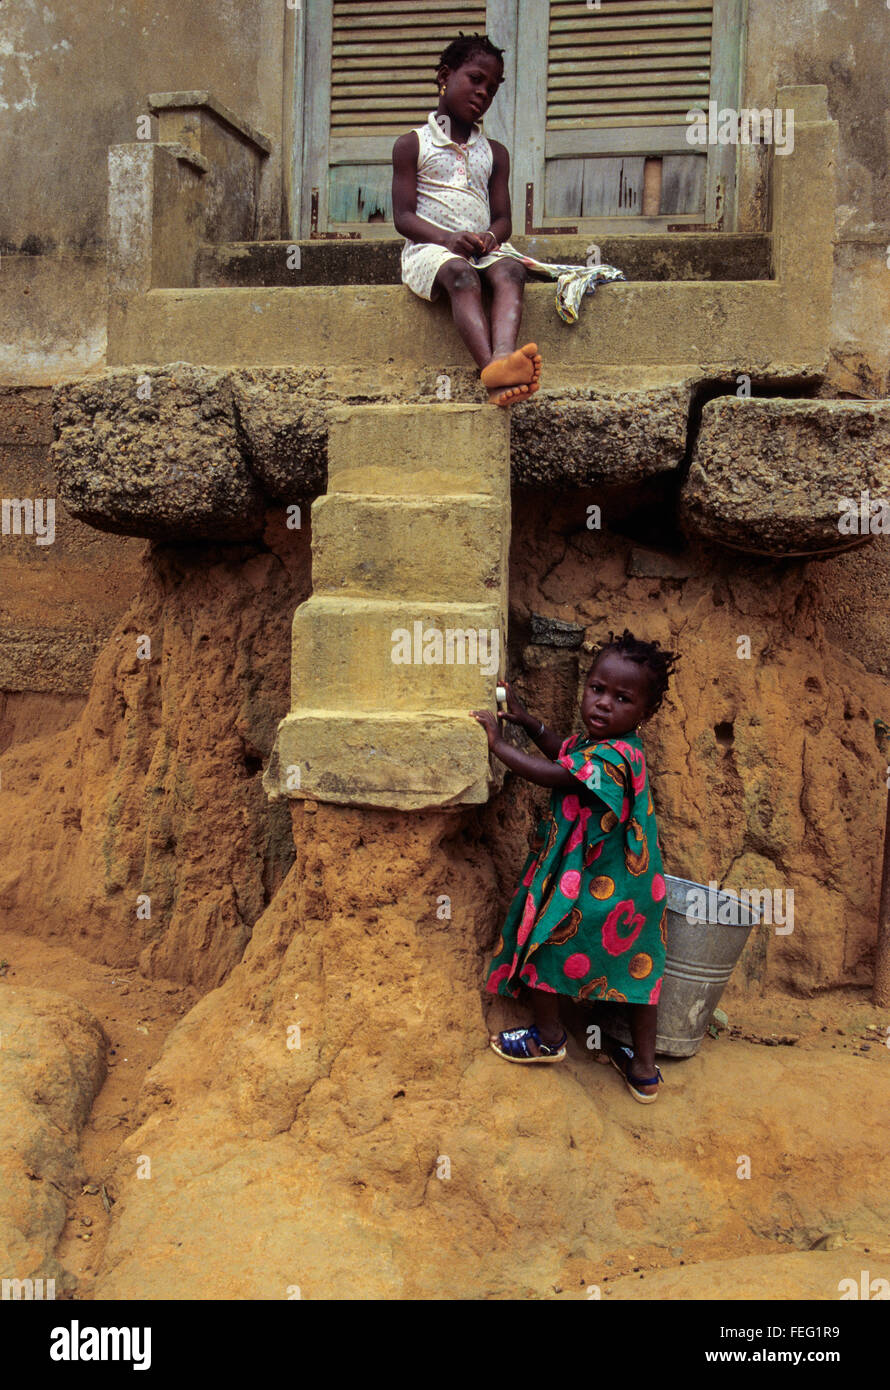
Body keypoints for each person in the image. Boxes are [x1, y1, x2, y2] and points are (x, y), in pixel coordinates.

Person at [470, 631, 679, 1103]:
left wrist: (499, 744)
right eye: (596, 689)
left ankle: (549, 1037)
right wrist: (527, 721)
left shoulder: (616, 756)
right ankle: (645, 1072)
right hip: (636, 889)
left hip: (601, 886)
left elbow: (557, 773)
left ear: (644, 714)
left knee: (544, 944)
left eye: (622, 698)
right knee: (641, 975)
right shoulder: (611, 746)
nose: (603, 704)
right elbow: (565, 752)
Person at [391, 33, 542, 407]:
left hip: (483, 248)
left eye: (491, 89)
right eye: (475, 79)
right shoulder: (413, 144)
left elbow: (505, 218)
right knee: (462, 275)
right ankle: (491, 366)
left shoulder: (495, 153)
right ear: (445, 76)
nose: (482, 94)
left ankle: (505, 359)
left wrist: (492, 237)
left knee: (511, 272)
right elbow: (403, 217)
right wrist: (447, 239)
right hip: (431, 249)